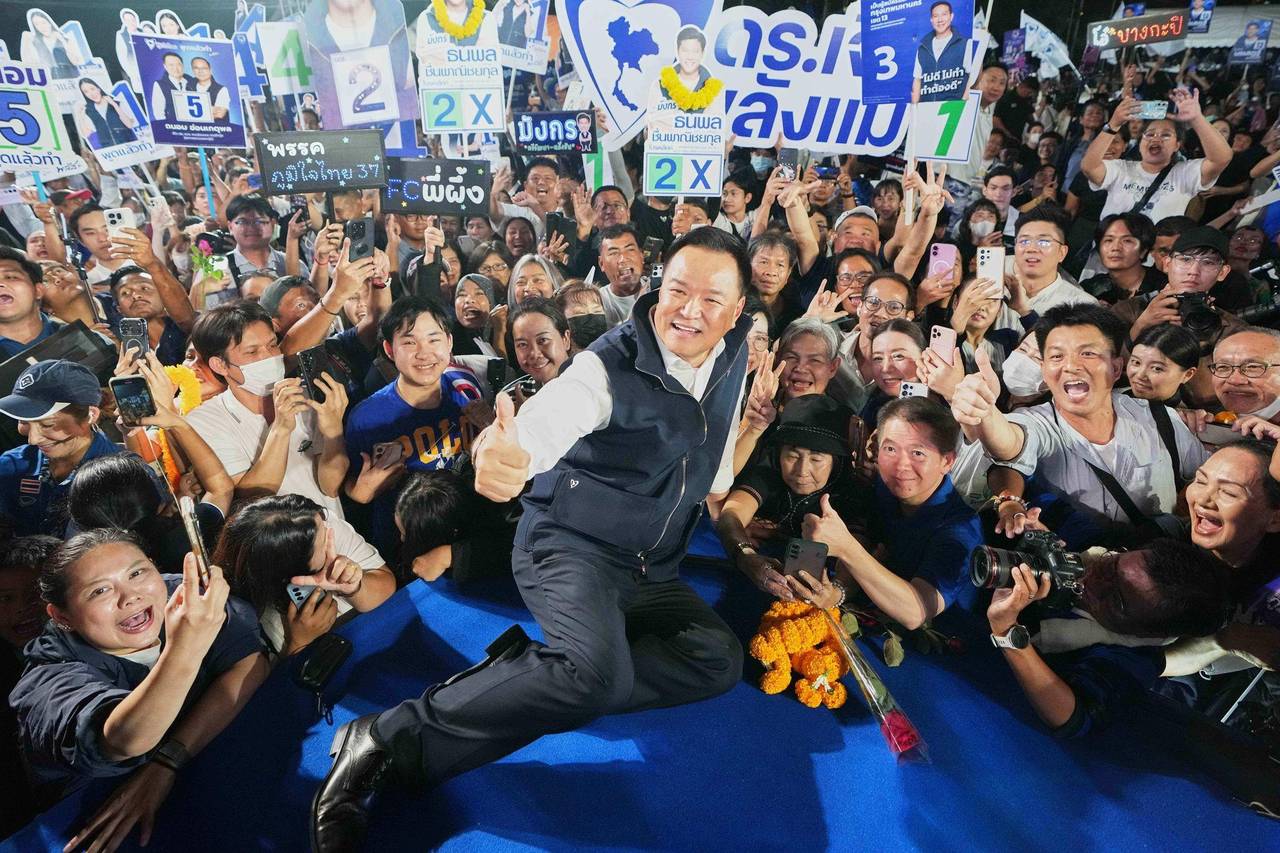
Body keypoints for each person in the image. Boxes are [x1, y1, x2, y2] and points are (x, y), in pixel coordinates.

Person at [310, 226, 754, 851]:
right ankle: (383, 738)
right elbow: (539, 428)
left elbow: (715, 450)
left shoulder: (735, 349)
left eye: (711, 299)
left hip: (651, 565)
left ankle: (538, 677)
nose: (690, 310)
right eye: (678, 290)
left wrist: (732, 506)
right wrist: (504, 456)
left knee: (716, 660)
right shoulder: (603, 368)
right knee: (594, 679)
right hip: (570, 547)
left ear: (736, 310)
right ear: (659, 287)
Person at [9, 528, 267, 847]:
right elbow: (123, 739)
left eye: (137, 573)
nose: (130, 596)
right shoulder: (48, 676)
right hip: (99, 821)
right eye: (100, 591)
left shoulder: (178, 595)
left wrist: (167, 761)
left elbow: (249, 663)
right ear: (61, 616)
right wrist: (186, 649)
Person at [951, 304, 1208, 543]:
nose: (1071, 366)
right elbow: (1011, 443)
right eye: (1056, 356)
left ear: (1116, 367)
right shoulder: (1039, 423)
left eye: (1087, 353)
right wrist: (987, 413)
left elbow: (1203, 479)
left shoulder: (1161, 419)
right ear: (1044, 370)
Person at [986, 538, 1232, 737]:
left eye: (1115, 599)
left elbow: (1074, 718)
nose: (1095, 579)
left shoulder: (1135, 658)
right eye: (1111, 566)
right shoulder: (1095, 549)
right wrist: (1018, 515)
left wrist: (1007, 630)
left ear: (1150, 633)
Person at [791, 397, 983, 630]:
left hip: (939, 639)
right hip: (870, 616)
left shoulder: (961, 529)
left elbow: (916, 612)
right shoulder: (883, 489)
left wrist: (846, 547)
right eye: (890, 449)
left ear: (947, 461)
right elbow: (867, 545)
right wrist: (838, 592)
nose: (901, 465)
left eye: (917, 453)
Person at [343, 296, 483, 557]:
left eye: (433, 339)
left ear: (449, 342)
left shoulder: (465, 388)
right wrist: (361, 491)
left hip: (469, 538)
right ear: (389, 349)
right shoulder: (368, 418)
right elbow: (349, 486)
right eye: (409, 342)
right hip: (405, 548)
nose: (424, 352)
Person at [185, 302, 352, 517]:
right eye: (252, 351)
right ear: (220, 365)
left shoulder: (307, 395)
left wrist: (333, 432)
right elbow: (253, 498)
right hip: (277, 535)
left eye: (273, 345)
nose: (269, 357)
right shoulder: (205, 421)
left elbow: (330, 487)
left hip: (333, 527)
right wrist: (281, 428)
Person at [214, 493, 395, 656]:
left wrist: (354, 587)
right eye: (322, 543)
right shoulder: (238, 616)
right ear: (291, 567)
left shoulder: (318, 524)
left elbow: (387, 589)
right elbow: (271, 682)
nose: (329, 535)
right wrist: (299, 644)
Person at [718, 395, 859, 597]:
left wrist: (835, 594)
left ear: (836, 461)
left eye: (816, 459)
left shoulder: (852, 493)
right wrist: (745, 555)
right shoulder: (769, 474)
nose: (802, 471)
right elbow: (731, 513)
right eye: (792, 456)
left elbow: (856, 555)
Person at [0, 361, 128, 540]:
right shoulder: (12, 465)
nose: (33, 439)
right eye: (23, 421)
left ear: (91, 414)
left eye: (47, 424)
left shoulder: (127, 477)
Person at [1082, 87, 1232, 224]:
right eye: (1149, 134)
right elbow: (1089, 167)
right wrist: (1113, 124)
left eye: (1166, 135)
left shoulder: (1185, 173)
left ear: (1177, 145)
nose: (1156, 139)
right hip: (1112, 244)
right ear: (1140, 143)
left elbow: (1221, 159)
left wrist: (1197, 119)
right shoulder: (1121, 168)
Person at [394, 469, 518, 583]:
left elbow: (509, 549)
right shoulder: (463, 482)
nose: (401, 539)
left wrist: (451, 556)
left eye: (405, 535)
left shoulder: (505, 517)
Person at [107, 263, 196, 366]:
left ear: (163, 295)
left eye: (144, 288)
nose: (136, 295)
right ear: (119, 309)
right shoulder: (125, 348)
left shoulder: (188, 329)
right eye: (125, 293)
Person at [1079, 213, 1163, 303]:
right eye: (1109, 240)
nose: (1115, 247)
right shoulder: (1088, 289)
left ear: (1143, 251)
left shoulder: (1163, 287)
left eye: (1127, 241)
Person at [912, 1, 976, 104]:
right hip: (926, 109)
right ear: (931, 20)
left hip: (953, 109)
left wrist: (962, 104)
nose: (940, 20)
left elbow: (971, 77)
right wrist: (914, 107)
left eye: (944, 14)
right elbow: (917, 80)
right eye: (936, 16)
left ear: (951, 16)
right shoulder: (922, 48)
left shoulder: (965, 44)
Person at [1126, 323, 1199, 407]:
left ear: (1187, 374)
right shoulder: (1115, 395)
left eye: (1157, 368)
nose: (1139, 375)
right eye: (1136, 362)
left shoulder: (1180, 415)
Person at [510, 297, 572, 389]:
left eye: (543, 340)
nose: (534, 354)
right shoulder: (520, 391)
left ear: (565, 339)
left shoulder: (589, 384)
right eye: (523, 344)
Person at [595, 224, 646, 325]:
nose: (623, 259)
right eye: (614, 253)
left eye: (630, 250)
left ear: (642, 256)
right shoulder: (595, 303)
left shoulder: (659, 293)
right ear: (601, 263)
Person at [75, 79, 137, 148]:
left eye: (92, 89)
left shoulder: (117, 102)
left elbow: (129, 125)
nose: (91, 94)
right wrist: (80, 115)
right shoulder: (88, 110)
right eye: (86, 92)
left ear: (98, 88)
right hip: (108, 149)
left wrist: (114, 105)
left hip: (129, 146)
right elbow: (86, 134)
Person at [451, 274, 503, 358]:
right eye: (462, 294)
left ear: (492, 301)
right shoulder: (446, 338)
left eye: (479, 293)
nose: (469, 300)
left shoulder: (508, 334)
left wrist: (499, 333)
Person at [150, 52, 195, 123]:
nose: (176, 68)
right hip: (173, 125)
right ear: (165, 67)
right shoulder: (160, 84)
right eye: (171, 65)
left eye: (179, 64)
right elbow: (158, 113)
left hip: (194, 125)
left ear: (183, 65)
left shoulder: (192, 81)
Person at [189, 56, 231, 122]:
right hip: (193, 127)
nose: (200, 71)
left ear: (210, 70)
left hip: (216, 127)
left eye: (204, 68)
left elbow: (220, 114)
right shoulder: (188, 86)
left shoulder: (222, 89)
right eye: (196, 68)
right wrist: (210, 109)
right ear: (192, 70)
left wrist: (193, 111)